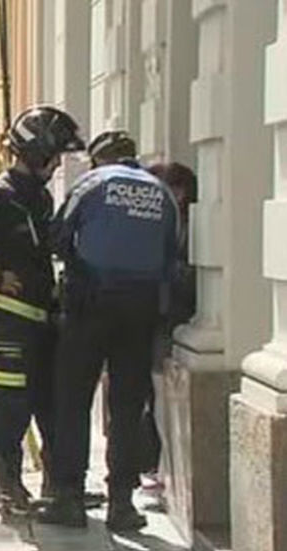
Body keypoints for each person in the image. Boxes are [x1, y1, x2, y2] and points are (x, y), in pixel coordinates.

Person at [37, 131, 181, 532]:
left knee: (73, 399)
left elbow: (58, 236)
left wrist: (78, 270)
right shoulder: (162, 193)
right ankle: (121, 502)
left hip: (90, 305)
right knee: (128, 405)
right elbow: (172, 253)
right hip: (141, 309)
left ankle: (68, 495)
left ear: (100, 160)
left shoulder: (93, 184)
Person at [0, 105, 86, 516]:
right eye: (53, 155)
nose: (57, 163)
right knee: (12, 400)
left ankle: (57, 486)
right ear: (35, 151)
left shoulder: (39, 197)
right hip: (7, 316)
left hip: (41, 315)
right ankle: (7, 485)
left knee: (49, 399)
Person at [140, 162, 197, 485]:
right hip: (160, 319)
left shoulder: (186, 226)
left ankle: (166, 474)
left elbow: (187, 275)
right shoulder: (166, 224)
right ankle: (161, 469)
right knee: (157, 398)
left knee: (162, 398)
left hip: (171, 320)